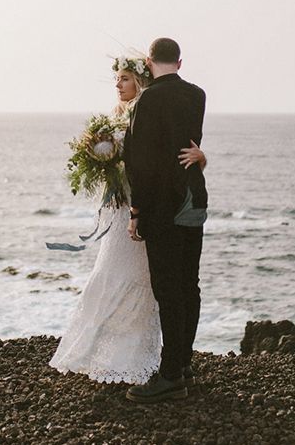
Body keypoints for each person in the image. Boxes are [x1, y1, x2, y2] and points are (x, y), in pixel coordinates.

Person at [48, 53, 206, 384]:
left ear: (141, 78)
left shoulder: (150, 107)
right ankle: (108, 352)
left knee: (148, 284)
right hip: (124, 208)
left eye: (124, 78)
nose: (119, 85)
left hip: (146, 206)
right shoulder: (115, 117)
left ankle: (145, 357)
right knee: (113, 274)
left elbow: (163, 156)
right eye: (116, 80)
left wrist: (202, 157)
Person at [124, 37, 208, 404]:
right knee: (190, 285)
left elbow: (138, 161)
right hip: (193, 200)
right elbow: (189, 147)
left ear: (148, 61)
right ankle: (183, 363)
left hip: (163, 206)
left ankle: (170, 376)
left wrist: (136, 211)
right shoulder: (197, 95)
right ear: (180, 61)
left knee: (168, 291)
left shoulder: (149, 99)